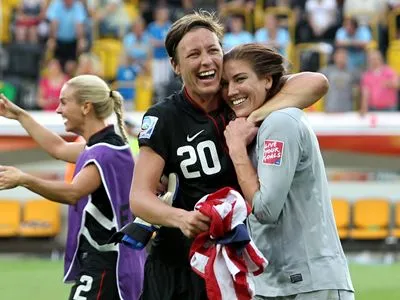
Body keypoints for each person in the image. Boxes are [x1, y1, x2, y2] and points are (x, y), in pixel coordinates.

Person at [130, 11, 329, 300]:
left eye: (213, 50)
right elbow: (139, 198)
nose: (206, 61)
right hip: (178, 264)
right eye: (193, 54)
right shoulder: (164, 118)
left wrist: (251, 119)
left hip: (236, 263)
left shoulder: (240, 99)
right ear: (175, 65)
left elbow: (316, 82)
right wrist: (180, 218)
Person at [222, 43, 354, 299]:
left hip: (308, 285)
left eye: (240, 79)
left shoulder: (279, 123)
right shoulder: (253, 123)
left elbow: (266, 209)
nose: (231, 91)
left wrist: (237, 150)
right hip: (277, 283)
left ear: (268, 80)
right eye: (226, 83)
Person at [0, 75, 145, 300]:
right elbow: (57, 148)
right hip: (117, 263)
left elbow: (73, 193)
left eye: (64, 102)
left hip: (107, 267)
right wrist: (20, 115)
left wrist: (24, 179)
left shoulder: (103, 153)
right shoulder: (108, 146)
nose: (58, 109)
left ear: (86, 107)